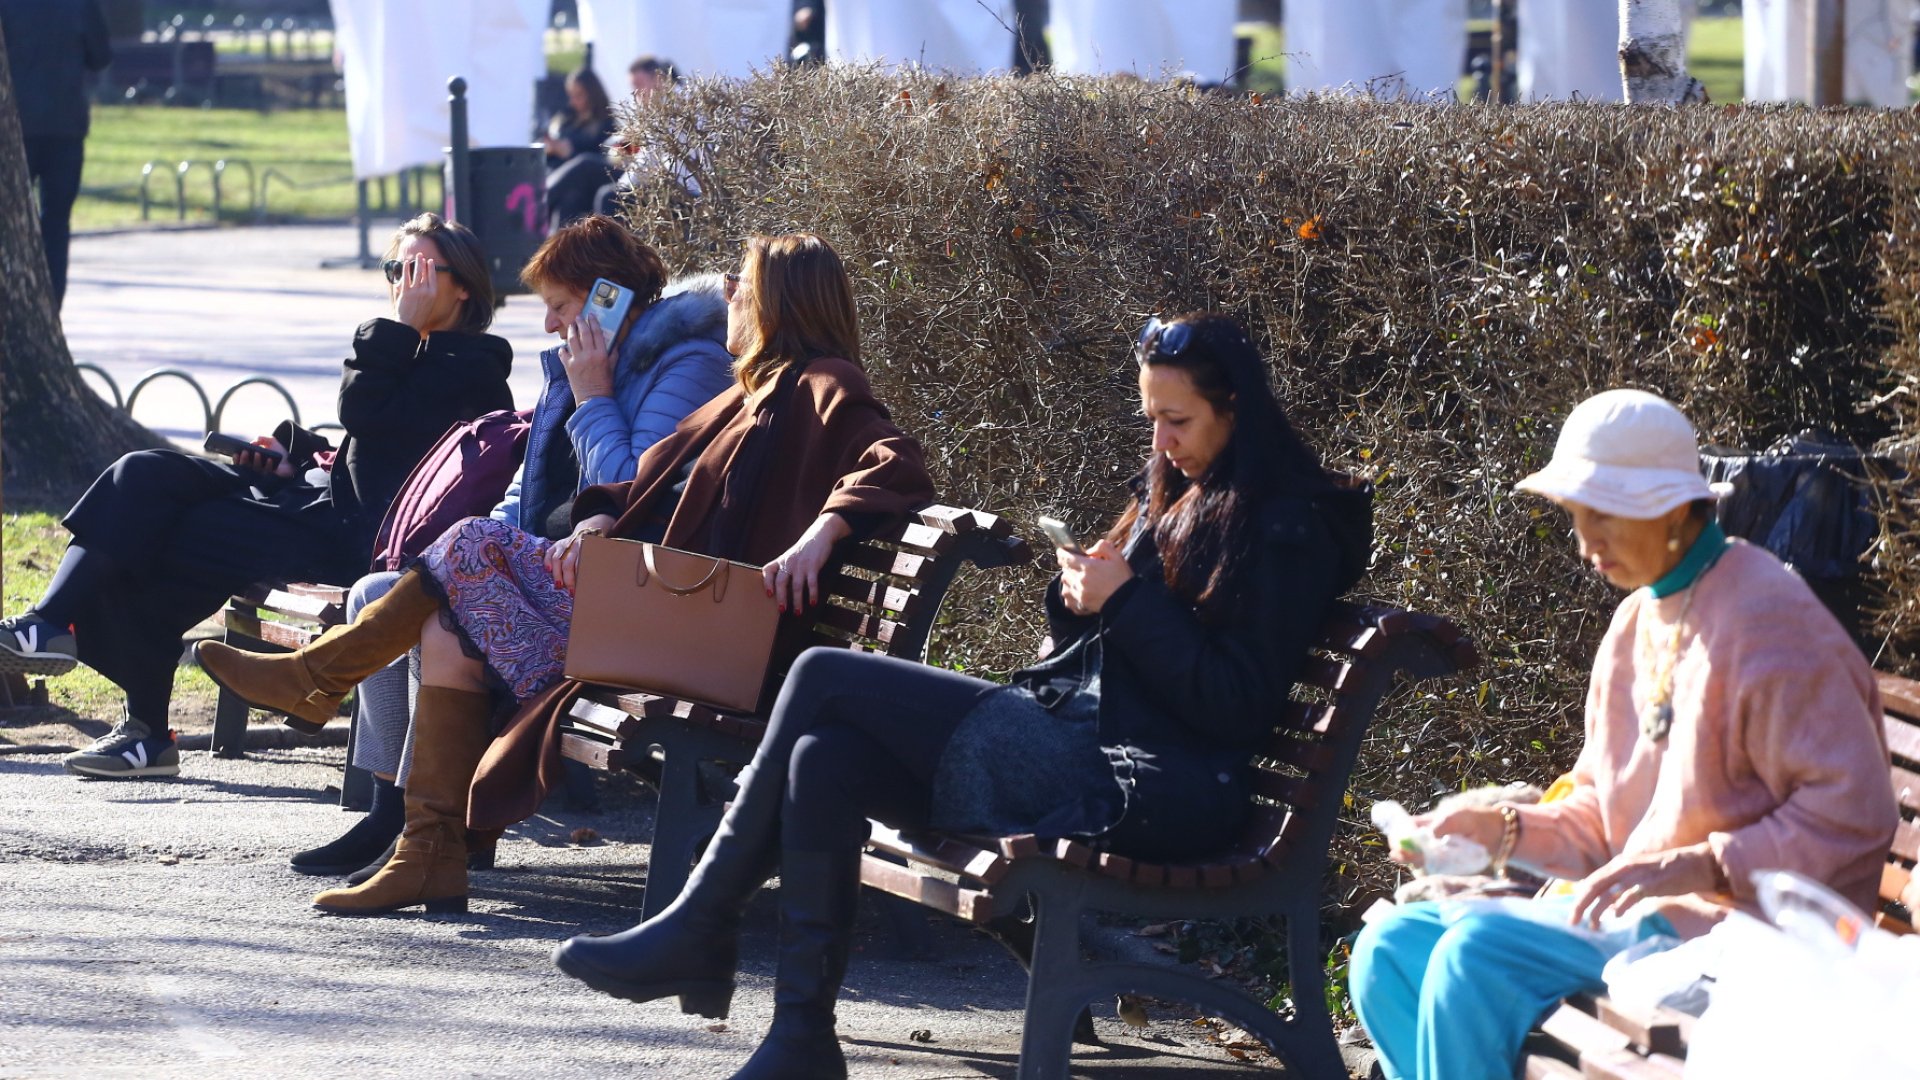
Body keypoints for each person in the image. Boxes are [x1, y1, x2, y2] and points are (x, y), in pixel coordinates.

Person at [549, 314, 1374, 1077]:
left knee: (823, 676)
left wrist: (1124, 600)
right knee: (824, 756)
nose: (1161, 440)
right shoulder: (1188, 489)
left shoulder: (1286, 525)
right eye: (1151, 418)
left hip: (1147, 789)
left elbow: (1231, 701)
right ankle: (799, 1036)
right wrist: (1083, 593)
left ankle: (699, 925)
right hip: (1086, 745)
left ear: (1236, 410)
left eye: (1179, 421)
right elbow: (1125, 643)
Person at [196, 233, 935, 917]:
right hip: (671, 617)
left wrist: (820, 535)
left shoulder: (824, 381)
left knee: (467, 543)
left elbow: (896, 460)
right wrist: (596, 519)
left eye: (742, 290)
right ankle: (430, 854)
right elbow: (642, 479)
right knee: (447, 625)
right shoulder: (749, 390)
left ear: (783, 301)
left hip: (714, 640)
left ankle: (315, 678)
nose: (730, 302)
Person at [1348, 389, 1899, 1080]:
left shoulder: (1773, 620)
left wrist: (1701, 863)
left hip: (1739, 943)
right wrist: (1500, 832)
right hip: (1634, 921)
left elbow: (1854, 815)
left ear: (1671, 507)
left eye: (1600, 515)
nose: (1584, 545)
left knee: (1476, 955)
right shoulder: (1636, 623)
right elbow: (1606, 816)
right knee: (1389, 951)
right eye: (1577, 518)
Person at [264, 215, 734, 878]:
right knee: (381, 589)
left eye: (560, 307)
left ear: (610, 298)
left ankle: (403, 810)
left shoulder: (687, 364)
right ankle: (391, 810)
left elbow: (627, 492)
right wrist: (478, 542)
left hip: (616, 595)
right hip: (560, 572)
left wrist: (593, 394)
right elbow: (528, 489)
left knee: (438, 611)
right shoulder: (583, 364)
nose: (549, 326)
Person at [0, 213, 514, 780]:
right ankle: (49, 624)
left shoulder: (473, 369)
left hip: (356, 541)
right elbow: (374, 443)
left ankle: (144, 728)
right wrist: (294, 459)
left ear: (462, 286)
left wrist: (396, 328)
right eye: (396, 269)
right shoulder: (414, 350)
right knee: (142, 474)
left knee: (166, 533)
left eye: (418, 270)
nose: (402, 284)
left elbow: (366, 415)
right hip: (314, 504)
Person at [0, 0, 110, 310]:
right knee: (56, 223)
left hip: (16, 128)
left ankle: (14, 309)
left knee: (10, 224)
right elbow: (100, 56)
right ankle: (51, 307)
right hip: (65, 127)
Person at [544, 66, 618, 230]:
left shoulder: (606, 124)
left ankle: (540, 199)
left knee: (583, 164)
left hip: (588, 183)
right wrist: (551, 148)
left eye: (578, 95)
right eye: (571, 95)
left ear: (592, 94)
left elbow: (603, 159)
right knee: (568, 202)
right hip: (560, 179)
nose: (573, 101)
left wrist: (570, 153)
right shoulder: (566, 119)